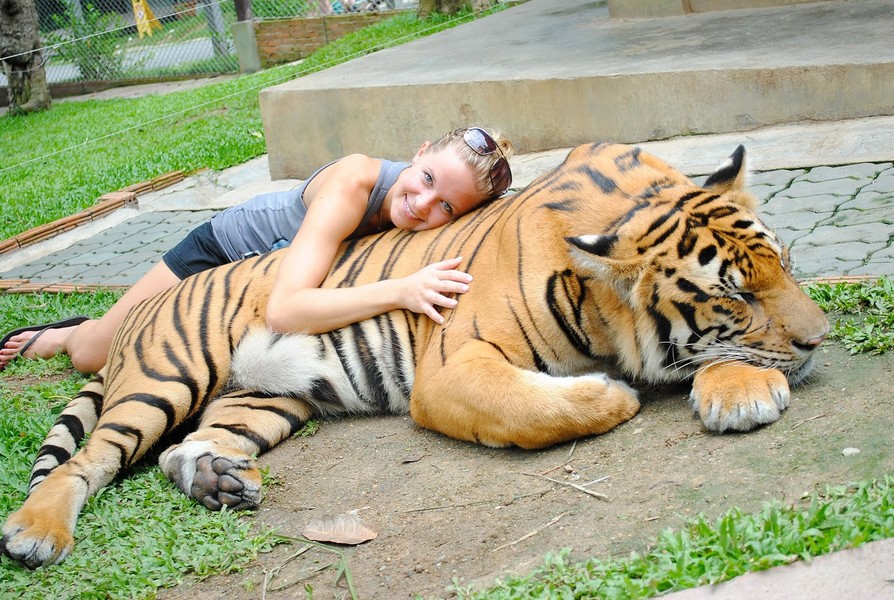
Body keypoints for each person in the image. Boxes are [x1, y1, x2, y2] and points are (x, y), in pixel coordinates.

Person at [0, 127, 513, 374]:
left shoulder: (421, 212)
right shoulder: (355, 183)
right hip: (222, 253)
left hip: (266, 278)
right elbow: (286, 310)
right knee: (95, 357)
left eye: (447, 206)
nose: (423, 205)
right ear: (419, 151)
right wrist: (400, 290)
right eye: (425, 178)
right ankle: (62, 334)